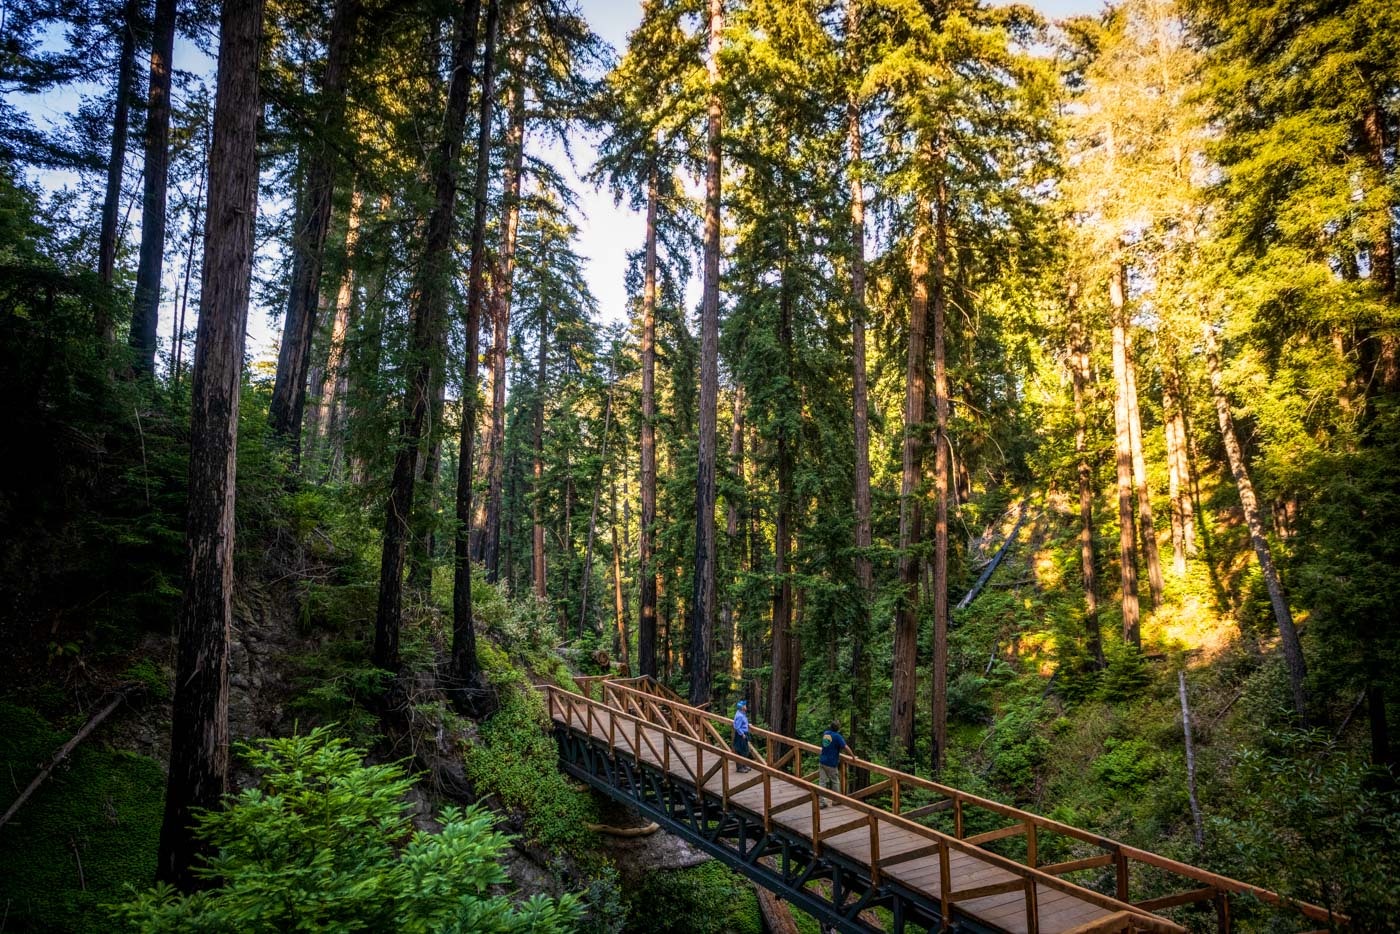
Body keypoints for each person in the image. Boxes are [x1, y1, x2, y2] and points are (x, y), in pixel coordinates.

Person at [818, 721, 852, 808]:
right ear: (838, 728)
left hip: (822, 761)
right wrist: (853, 757)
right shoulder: (837, 736)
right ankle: (836, 800)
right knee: (835, 781)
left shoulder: (826, 733)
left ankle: (821, 802)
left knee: (822, 782)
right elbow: (845, 747)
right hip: (831, 763)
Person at [733, 700, 751, 772]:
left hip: (743, 733)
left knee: (745, 750)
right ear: (742, 707)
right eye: (745, 705)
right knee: (741, 751)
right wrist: (742, 734)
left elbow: (742, 723)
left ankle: (744, 765)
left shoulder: (742, 713)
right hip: (741, 735)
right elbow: (737, 726)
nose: (746, 707)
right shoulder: (740, 715)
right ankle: (740, 768)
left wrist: (748, 725)